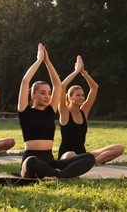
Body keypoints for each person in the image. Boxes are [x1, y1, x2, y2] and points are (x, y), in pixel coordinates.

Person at [18, 43, 95, 179]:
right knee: (31, 162)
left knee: (89, 158)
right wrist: (39, 60)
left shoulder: (50, 111)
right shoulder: (25, 111)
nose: (47, 96)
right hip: (32, 161)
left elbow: (58, 84)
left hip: (50, 162)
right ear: (33, 95)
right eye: (43, 93)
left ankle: (57, 175)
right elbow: (25, 81)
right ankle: (61, 175)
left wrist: (47, 61)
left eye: (49, 93)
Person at [58, 56, 124, 163]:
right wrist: (76, 71)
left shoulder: (84, 111)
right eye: (78, 95)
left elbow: (94, 87)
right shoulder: (64, 112)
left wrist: (84, 73)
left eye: (83, 95)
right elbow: (62, 86)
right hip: (67, 155)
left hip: (83, 154)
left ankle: (90, 162)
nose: (82, 98)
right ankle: (89, 162)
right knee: (71, 155)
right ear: (70, 97)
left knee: (118, 148)